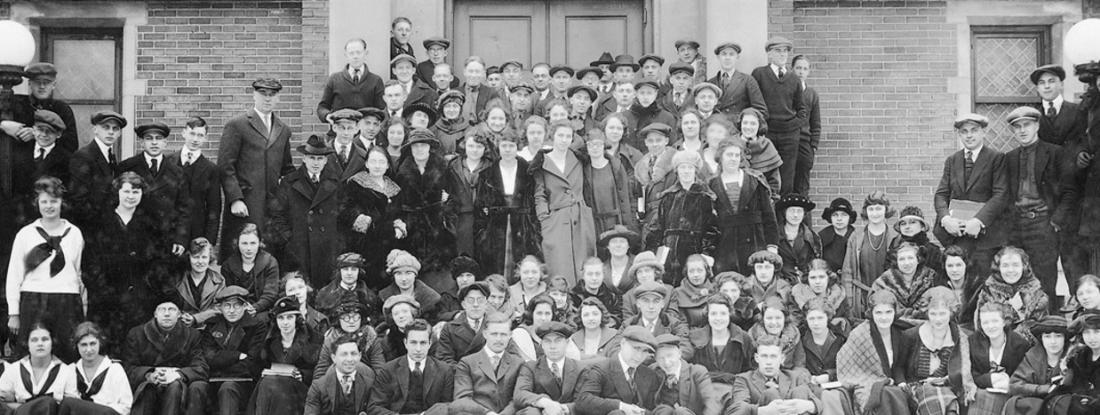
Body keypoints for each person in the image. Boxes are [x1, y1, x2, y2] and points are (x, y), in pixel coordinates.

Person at [85, 172, 175, 343]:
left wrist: (149, 287)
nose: (131, 196)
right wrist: (103, 291)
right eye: (126, 191)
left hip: (141, 299)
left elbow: (160, 261)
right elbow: (90, 261)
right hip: (108, 300)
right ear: (117, 192)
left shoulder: (151, 224)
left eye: (136, 192)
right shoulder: (100, 222)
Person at [6, 176, 84, 362]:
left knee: (67, 353)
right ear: (37, 203)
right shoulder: (26, 234)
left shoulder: (74, 233)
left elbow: (77, 271)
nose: (49, 206)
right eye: (44, 201)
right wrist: (14, 313)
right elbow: (14, 274)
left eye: (54, 201)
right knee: (30, 352)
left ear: (61, 203)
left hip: (66, 300)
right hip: (33, 300)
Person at [1003, 106, 1072, 310]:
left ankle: (1048, 329)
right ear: (1013, 131)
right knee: (1017, 278)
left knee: (1044, 280)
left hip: (1044, 224)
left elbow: (1069, 191)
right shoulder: (1009, 158)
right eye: (1017, 127)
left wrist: (1056, 221)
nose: (1022, 130)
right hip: (1017, 225)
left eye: (1027, 125)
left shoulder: (1055, 153)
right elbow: (1005, 195)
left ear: (1037, 126)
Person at [217, 78, 295, 259]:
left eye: (272, 95)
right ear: (254, 95)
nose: (267, 99)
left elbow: (287, 168)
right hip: (246, 204)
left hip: (273, 206)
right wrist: (235, 199)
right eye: (263, 94)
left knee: (269, 255)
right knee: (242, 254)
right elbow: (225, 166)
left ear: (278, 98)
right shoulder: (237, 125)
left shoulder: (283, 130)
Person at [933, 113, 1008, 280]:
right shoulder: (952, 160)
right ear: (959, 135)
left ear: (983, 133)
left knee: (983, 283)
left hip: (985, 237)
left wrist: (978, 221)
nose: (969, 135)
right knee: (959, 283)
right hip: (957, 236)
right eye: (964, 131)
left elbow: (1000, 195)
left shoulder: (996, 158)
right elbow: (941, 194)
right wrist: (946, 219)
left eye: (974, 130)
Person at [267, 134, 341, 286]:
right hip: (298, 249)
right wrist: (290, 239)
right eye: (312, 158)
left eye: (320, 159)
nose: (316, 163)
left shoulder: (335, 182)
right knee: (301, 289)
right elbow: (277, 215)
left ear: (326, 160)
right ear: (304, 158)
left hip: (327, 250)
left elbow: (341, 215)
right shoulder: (289, 182)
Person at [532, 121, 597, 286]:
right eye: (560, 135)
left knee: (583, 264)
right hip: (556, 220)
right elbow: (539, 194)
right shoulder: (543, 162)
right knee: (559, 265)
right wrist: (544, 218)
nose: (564, 140)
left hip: (580, 217)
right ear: (552, 136)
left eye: (568, 136)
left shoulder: (579, 159)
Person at [896, 287, 977, 415]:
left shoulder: (962, 338)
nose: (938, 319)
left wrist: (946, 379)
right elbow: (898, 367)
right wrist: (902, 385)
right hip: (917, 387)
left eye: (942, 314)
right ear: (927, 313)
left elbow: (968, 370)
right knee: (937, 400)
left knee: (950, 405)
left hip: (949, 386)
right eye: (933, 314)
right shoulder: (910, 336)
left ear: (951, 312)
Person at [644, 151, 718, 286]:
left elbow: (711, 229)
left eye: (690, 168)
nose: (686, 171)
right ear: (676, 171)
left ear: (695, 171)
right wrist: (655, 254)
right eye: (682, 167)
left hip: (693, 252)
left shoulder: (704, 197)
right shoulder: (668, 197)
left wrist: (706, 253)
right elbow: (657, 228)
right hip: (668, 252)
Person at [337, 145, 405, 291]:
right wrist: (363, 220)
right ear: (367, 164)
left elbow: (399, 213)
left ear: (387, 165)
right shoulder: (355, 184)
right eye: (373, 161)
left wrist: (399, 225)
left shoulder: (395, 189)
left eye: (381, 162)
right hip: (364, 242)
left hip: (388, 242)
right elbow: (344, 210)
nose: (377, 166)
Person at [123, 300, 208, 415]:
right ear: (155, 314)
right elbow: (128, 368)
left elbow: (201, 367)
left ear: (179, 315)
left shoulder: (192, 335)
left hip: (179, 388)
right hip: (149, 385)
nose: (167, 314)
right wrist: (150, 374)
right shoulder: (137, 334)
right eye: (162, 309)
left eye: (171, 309)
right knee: (147, 388)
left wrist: (178, 374)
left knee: (175, 386)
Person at [118, 122, 190, 257]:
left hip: (165, 240)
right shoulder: (127, 167)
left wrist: (180, 238)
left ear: (165, 143)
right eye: (149, 138)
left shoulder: (177, 172)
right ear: (142, 143)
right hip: (134, 238)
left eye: (158, 138)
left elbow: (183, 209)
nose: (154, 143)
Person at [709, 138, 778, 275]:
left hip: (754, 240)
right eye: (729, 155)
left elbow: (769, 216)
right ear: (720, 157)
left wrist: (772, 245)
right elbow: (709, 221)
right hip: (725, 244)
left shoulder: (755, 181)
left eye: (736, 155)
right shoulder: (712, 185)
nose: (733, 159)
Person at [836, 290, 910, 415]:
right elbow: (848, 366)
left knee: (897, 393)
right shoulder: (860, 335)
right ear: (871, 313)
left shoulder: (900, 333)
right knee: (884, 395)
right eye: (878, 313)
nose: (884, 317)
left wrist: (901, 383)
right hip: (867, 384)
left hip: (893, 384)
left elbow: (899, 365)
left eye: (888, 312)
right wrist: (881, 382)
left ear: (895, 312)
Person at [393, 128, 454, 274]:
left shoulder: (443, 166)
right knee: (411, 267)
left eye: (423, 145)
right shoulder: (402, 169)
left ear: (430, 147)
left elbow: (454, 196)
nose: (419, 149)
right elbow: (396, 201)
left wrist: (445, 212)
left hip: (437, 225)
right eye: (415, 146)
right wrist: (400, 222)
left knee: (437, 269)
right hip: (411, 225)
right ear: (410, 148)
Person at [195, 286, 264, 415]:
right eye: (227, 306)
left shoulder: (256, 326)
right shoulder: (212, 325)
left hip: (242, 383)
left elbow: (251, 362)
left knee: (228, 387)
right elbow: (208, 357)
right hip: (212, 382)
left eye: (237, 306)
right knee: (196, 388)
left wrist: (219, 366)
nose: (232, 311)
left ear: (245, 306)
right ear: (220, 307)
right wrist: (236, 355)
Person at [751, 37, 806, 196]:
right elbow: (754, 103)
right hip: (767, 133)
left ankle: (782, 217)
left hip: (790, 135)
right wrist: (763, 126)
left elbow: (801, 109)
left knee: (787, 176)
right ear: (769, 54)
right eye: (777, 51)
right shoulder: (759, 74)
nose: (782, 55)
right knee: (765, 172)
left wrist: (792, 126)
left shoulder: (794, 78)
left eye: (785, 51)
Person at [248, 296, 321, 415]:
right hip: (271, 388)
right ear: (276, 321)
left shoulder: (313, 338)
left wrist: (302, 375)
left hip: (298, 392)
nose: (285, 322)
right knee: (267, 382)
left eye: (289, 317)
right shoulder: (268, 340)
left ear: (297, 319)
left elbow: (319, 369)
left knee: (273, 384)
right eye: (281, 318)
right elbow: (255, 365)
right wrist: (263, 371)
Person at [367, 319, 453, 415]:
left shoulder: (444, 370)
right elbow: (374, 407)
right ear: (405, 343)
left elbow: (447, 406)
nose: (418, 349)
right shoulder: (389, 370)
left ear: (430, 343)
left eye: (423, 343)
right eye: (413, 342)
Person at [574, 326, 661, 414]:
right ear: (623, 343)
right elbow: (583, 400)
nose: (639, 356)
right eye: (636, 348)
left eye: (644, 351)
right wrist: (621, 406)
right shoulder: (599, 370)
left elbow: (653, 407)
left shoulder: (650, 375)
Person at [451, 312, 525, 415]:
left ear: (510, 335)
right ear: (485, 334)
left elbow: (520, 396)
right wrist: (487, 413)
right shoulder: (467, 362)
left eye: (503, 334)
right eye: (494, 334)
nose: (498, 339)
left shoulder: (518, 363)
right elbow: (462, 399)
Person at [974, 246, 1050, 345]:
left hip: (1027, 351)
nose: (1010, 270)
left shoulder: (1037, 294)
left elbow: (1036, 330)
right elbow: (982, 328)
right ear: (998, 268)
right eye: (1005, 265)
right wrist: (1011, 309)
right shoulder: (988, 291)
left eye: (1015, 265)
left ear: (1024, 266)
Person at [729, 334, 821, 415]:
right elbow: (737, 409)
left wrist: (807, 406)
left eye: (773, 356)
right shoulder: (744, 379)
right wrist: (764, 411)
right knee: (771, 394)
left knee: (800, 391)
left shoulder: (796, 377)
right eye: (764, 356)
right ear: (757, 358)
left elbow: (819, 404)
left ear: (782, 358)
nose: (769, 362)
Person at [968, 302, 1031, 415]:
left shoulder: (1019, 344)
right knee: (979, 396)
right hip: (982, 394)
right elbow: (970, 374)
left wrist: (1007, 382)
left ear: (1003, 322)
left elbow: (1024, 377)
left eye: (995, 321)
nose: (990, 326)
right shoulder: (973, 342)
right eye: (985, 322)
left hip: (1010, 396)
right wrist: (990, 379)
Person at [842, 191, 897, 319]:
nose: (875, 213)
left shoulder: (895, 237)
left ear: (886, 210)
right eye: (871, 209)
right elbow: (847, 271)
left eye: (879, 208)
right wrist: (849, 303)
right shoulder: (856, 237)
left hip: (888, 295)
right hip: (861, 297)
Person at [11, 110, 71, 228]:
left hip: (48, 216)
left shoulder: (65, 158)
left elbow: (65, 192)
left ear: (58, 134)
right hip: (19, 214)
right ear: (33, 129)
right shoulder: (20, 151)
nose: (43, 135)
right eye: (40, 130)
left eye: (49, 132)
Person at [168, 117, 222, 244]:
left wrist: (208, 242)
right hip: (170, 232)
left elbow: (214, 208)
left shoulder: (211, 169)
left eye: (200, 135)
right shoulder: (168, 162)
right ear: (184, 133)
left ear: (205, 138)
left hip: (197, 233)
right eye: (192, 134)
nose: (195, 139)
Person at [59, 322, 133, 415]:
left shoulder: (114, 369)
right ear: (76, 346)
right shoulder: (71, 370)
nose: (89, 350)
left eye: (93, 343)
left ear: (100, 343)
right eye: (84, 345)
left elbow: (126, 406)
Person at [67, 110, 124, 230]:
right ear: (95, 130)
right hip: (91, 228)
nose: (110, 132)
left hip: (106, 227)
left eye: (115, 129)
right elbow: (78, 201)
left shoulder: (110, 156)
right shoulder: (83, 156)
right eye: (106, 127)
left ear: (119, 133)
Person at [513, 321, 583, 414]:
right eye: (547, 341)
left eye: (558, 341)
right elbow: (520, 393)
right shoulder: (531, 367)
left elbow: (587, 398)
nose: (553, 346)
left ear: (567, 343)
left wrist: (565, 408)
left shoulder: (579, 368)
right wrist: (545, 403)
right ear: (541, 344)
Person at [1004, 315, 1068, 415]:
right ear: (1041, 338)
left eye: (1058, 336)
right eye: (1047, 336)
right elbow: (1015, 385)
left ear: (1065, 338)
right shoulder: (1033, 356)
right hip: (1034, 408)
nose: (1053, 342)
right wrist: (1043, 389)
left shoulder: (1073, 357)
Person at [686, 295, 756, 386]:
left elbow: (750, 371)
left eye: (723, 313)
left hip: (735, 391)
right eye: (714, 314)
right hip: (702, 391)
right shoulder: (694, 338)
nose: (718, 318)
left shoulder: (744, 338)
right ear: (707, 315)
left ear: (730, 314)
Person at [0, 322, 68, 414]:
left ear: (52, 343)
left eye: (45, 339)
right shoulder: (13, 370)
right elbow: (2, 404)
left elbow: (71, 408)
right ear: (27, 344)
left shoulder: (66, 371)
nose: (40, 344)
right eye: (34, 340)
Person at [799, 298, 852, 415]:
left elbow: (849, 366)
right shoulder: (802, 339)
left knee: (832, 397)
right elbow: (798, 364)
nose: (816, 323)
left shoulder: (841, 338)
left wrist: (829, 375)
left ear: (828, 318)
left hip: (837, 385)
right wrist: (808, 377)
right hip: (810, 385)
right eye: (811, 319)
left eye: (820, 318)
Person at [313, 296, 386, 381]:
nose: (351, 321)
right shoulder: (331, 337)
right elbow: (322, 368)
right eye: (346, 318)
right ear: (339, 319)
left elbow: (379, 367)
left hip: (365, 382)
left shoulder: (369, 335)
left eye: (355, 317)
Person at [581, 130, 640, 235]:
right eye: (591, 145)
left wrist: (627, 224)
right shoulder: (584, 170)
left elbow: (626, 197)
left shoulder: (616, 167)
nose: (595, 148)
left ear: (604, 146)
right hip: (595, 223)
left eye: (598, 144)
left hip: (616, 221)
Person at [870, 242, 939, 328]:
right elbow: (874, 306)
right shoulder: (885, 280)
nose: (906, 263)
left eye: (910, 258)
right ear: (896, 261)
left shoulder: (930, 277)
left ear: (918, 259)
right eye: (902, 259)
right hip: (893, 326)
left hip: (926, 327)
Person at [650, 333, 722, 415]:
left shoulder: (697, 372)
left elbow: (711, 402)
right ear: (655, 359)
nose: (667, 363)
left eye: (670, 356)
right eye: (661, 358)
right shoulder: (653, 372)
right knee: (663, 410)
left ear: (679, 354)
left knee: (681, 411)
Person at [447, 129, 493, 258]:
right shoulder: (454, 165)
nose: (475, 150)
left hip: (482, 219)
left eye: (479, 146)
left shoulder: (491, 166)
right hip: (459, 217)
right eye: (471, 146)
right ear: (464, 146)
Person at [303, 333, 375, 415]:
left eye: (353, 354)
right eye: (344, 354)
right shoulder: (318, 387)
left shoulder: (370, 385)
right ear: (334, 358)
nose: (349, 359)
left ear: (359, 356)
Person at [318, 38, 385, 123]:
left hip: (364, 132)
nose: (355, 56)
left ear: (365, 53)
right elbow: (322, 107)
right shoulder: (334, 79)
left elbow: (381, 110)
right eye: (351, 53)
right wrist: (327, 115)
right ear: (346, 55)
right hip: (340, 129)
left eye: (358, 52)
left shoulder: (376, 80)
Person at [219, 224, 280, 316]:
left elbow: (270, 294)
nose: (248, 248)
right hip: (235, 311)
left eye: (253, 243)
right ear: (237, 243)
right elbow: (228, 293)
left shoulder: (270, 262)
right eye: (244, 243)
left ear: (259, 243)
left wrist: (255, 308)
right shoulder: (228, 265)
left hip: (262, 310)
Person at [20, 63, 78, 153]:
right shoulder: (19, 105)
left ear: (53, 85)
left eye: (46, 83)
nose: (42, 86)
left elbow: (72, 144)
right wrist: (3, 124)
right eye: (37, 82)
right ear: (29, 83)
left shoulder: (62, 109)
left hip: (53, 162)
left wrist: (37, 135)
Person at [314, 253, 383, 324]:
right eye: (345, 269)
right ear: (339, 271)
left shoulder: (369, 297)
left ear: (359, 271)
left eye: (353, 269)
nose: (349, 273)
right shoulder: (324, 295)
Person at [435, 282, 492, 365]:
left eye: (480, 300)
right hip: (459, 375)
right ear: (463, 304)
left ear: (486, 304)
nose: (475, 304)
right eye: (470, 300)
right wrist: (464, 373)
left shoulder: (497, 326)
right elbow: (444, 360)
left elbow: (510, 356)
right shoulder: (449, 329)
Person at [624, 282, 690, 353]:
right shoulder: (628, 324)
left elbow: (686, 348)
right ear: (638, 304)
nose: (651, 306)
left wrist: (662, 358)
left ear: (662, 304)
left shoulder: (674, 324)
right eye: (646, 301)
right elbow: (616, 348)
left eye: (656, 301)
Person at [378, 249, 441, 323]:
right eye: (398, 273)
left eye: (408, 273)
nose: (404, 279)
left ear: (415, 275)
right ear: (393, 276)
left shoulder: (431, 299)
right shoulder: (384, 297)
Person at [708, 42, 767, 119]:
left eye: (731, 54)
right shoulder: (710, 83)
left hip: (737, 128)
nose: (727, 58)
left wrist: (743, 122)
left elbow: (761, 111)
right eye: (724, 54)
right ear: (718, 57)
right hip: (717, 127)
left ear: (737, 57)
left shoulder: (748, 80)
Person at [788, 259, 850, 332]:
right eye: (813, 278)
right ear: (807, 279)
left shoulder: (839, 295)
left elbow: (849, 319)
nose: (817, 282)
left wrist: (843, 321)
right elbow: (795, 325)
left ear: (828, 278)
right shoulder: (798, 296)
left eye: (821, 277)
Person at [174, 237, 224, 327]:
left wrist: (196, 318)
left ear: (210, 258)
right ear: (189, 257)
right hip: (181, 328)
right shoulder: (178, 279)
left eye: (204, 257)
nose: (200, 261)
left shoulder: (219, 280)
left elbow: (220, 307)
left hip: (209, 328)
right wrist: (182, 317)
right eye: (196, 257)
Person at [792, 55, 822, 196]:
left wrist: (813, 146)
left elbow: (815, 123)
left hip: (804, 145)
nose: (801, 72)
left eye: (805, 69)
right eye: (798, 68)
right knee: (786, 184)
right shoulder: (786, 91)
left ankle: (804, 218)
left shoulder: (812, 94)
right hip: (788, 143)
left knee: (803, 187)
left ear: (808, 72)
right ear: (792, 70)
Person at [775, 193, 821, 284]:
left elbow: (815, 264)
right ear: (785, 213)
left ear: (804, 214)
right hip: (780, 282)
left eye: (799, 211)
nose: (795, 215)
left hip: (805, 283)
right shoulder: (774, 236)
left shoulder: (812, 237)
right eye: (792, 211)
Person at [736, 108, 783, 197]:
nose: (748, 127)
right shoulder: (731, 143)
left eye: (753, 124)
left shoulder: (767, 145)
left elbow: (774, 182)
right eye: (745, 123)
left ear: (759, 126)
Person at [748, 297, 805, 371]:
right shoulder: (752, 337)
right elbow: (747, 367)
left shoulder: (794, 335)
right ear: (762, 319)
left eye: (778, 318)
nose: (774, 323)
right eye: (769, 318)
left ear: (785, 318)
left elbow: (800, 365)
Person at [888, 206, 945, 278]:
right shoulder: (894, 249)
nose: (907, 227)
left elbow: (939, 278)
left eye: (912, 222)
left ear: (922, 226)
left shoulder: (933, 251)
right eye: (903, 224)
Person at [619, 252, 673, 322]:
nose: (643, 275)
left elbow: (672, 316)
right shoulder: (628, 296)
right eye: (639, 272)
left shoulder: (669, 291)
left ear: (655, 272)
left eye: (647, 271)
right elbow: (629, 322)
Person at [571, 258, 622, 325]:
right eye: (590, 274)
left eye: (597, 274)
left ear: (603, 275)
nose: (594, 278)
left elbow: (617, 319)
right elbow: (574, 320)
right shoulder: (573, 297)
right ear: (583, 275)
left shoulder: (611, 297)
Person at [668, 255, 715, 328]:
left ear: (707, 271)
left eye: (700, 270)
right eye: (691, 271)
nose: (696, 275)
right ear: (686, 273)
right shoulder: (677, 293)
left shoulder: (714, 291)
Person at [323, 109, 367, 182]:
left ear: (356, 130)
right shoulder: (323, 152)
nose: (346, 133)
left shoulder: (363, 155)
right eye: (342, 128)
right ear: (334, 128)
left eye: (350, 128)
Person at [375, 295, 421, 362]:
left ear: (413, 314)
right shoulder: (386, 343)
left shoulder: (427, 334)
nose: (401, 316)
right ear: (392, 318)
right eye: (396, 314)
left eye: (405, 311)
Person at [459, 57, 503, 125]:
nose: (473, 75)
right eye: (470, 71)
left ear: (483, 73)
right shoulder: (455, 93)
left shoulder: (491, 93)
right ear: (464, 72)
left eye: (477, 71)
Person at [599, 226, 640, 296]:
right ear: (608, 246)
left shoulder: (638, 263)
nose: (618, 245)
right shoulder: (601, 268)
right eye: (614, 242)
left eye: (622, 241)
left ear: (628, 245)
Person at [819, 198, 856, 273]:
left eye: (844, 215)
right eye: (835, 215)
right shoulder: (822, 237)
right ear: (830, 217)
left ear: (849, 218)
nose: (839, 219)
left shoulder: (857, 236)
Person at [431, 91, 468, 157]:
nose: (451, 110)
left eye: (455, 106)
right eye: (447, 106)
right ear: (442, 109)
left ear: (460, 109)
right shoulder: (433, 131)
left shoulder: (469, 129)